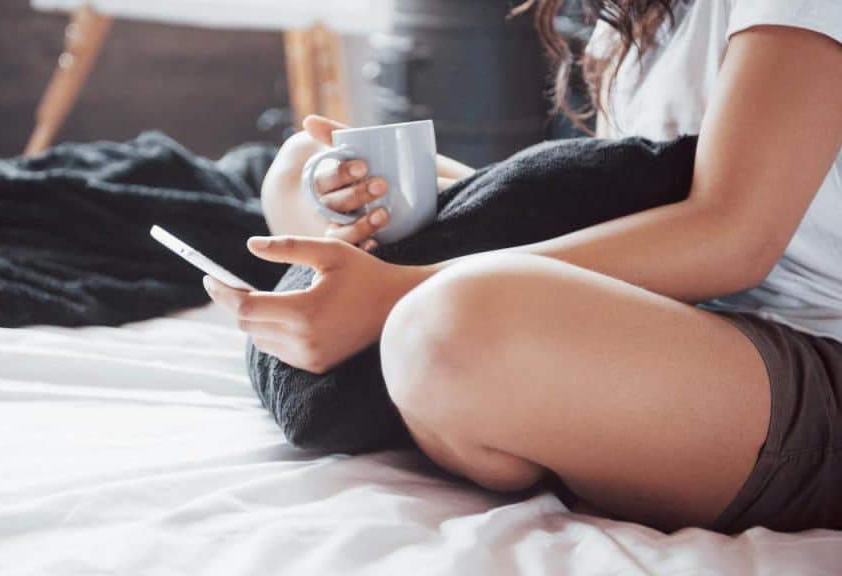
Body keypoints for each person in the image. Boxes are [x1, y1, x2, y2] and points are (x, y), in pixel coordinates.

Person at [202, 0, 842, 533]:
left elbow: (733, 235)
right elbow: (618, 196)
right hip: (681, 320)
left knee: (445, 328)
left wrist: (402, 290)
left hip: (811, 350)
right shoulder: (641, 17)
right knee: (300, 164)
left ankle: (439, 373)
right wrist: (366, 193)